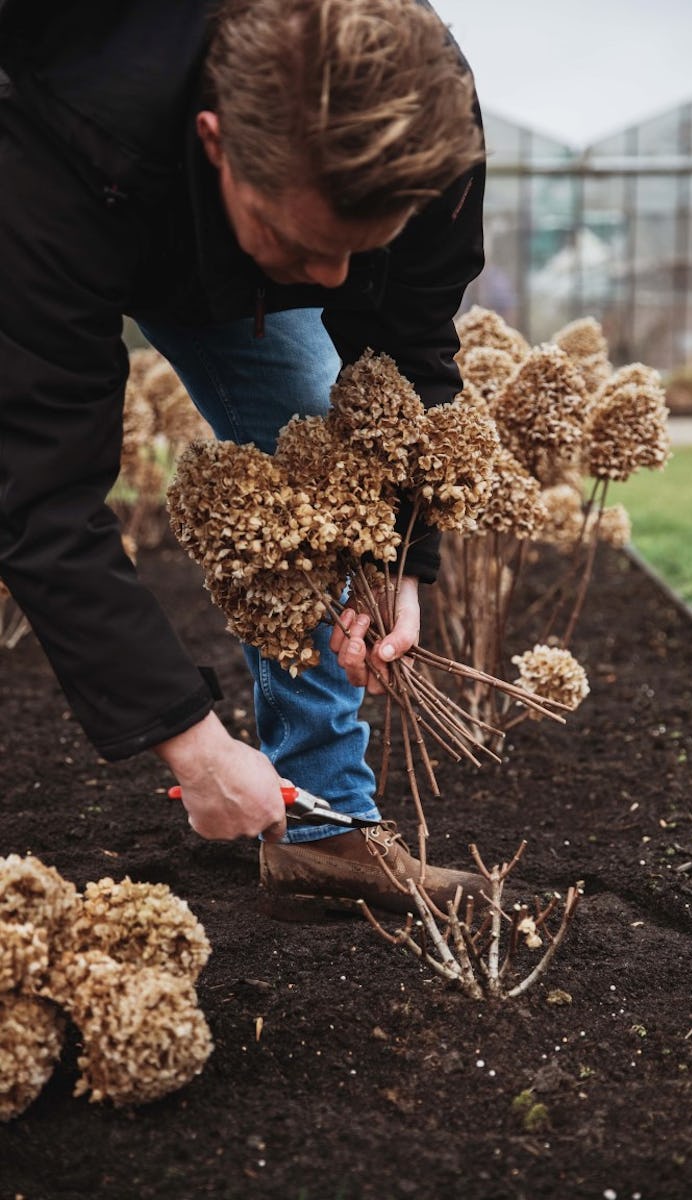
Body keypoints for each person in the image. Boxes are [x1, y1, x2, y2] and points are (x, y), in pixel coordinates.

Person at [0, 0, 487, 916]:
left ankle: (323, 830)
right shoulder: (66, 132)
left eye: (359, 248)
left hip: (192, 216)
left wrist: (401, 558)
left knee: (314, 422)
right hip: (88, 189)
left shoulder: (425, 123)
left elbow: (407, 350)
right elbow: (38, 491)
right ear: (218, 141)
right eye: (305, 243)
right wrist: (195, 746)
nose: (333, 282)